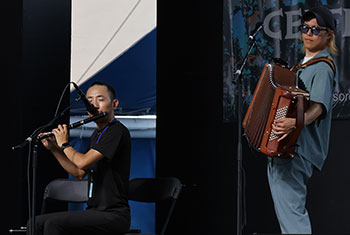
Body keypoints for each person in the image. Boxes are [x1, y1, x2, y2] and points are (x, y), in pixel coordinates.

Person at [27, 81, 131, 235]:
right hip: (94, 211)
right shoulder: (97, 135)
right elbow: (78, 172)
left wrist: (64, 144)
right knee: (34, 223)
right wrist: (54, 148)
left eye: (100, 99)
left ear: (114, 104)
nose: (93, 105)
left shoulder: (117, 131)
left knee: (53, 224)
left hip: (113, 215)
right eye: (89, 101)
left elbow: (82, 161)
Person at [268, 5, 338, 234]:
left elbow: (318, 108)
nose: (309, 33)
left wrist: (294, 123)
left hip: (298, 150)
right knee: (288, 217)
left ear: (328, 35)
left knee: (292, 218)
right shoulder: (302, 66)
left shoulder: (323, 68)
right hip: (289, 147)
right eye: (305, 28)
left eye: (316, 29)